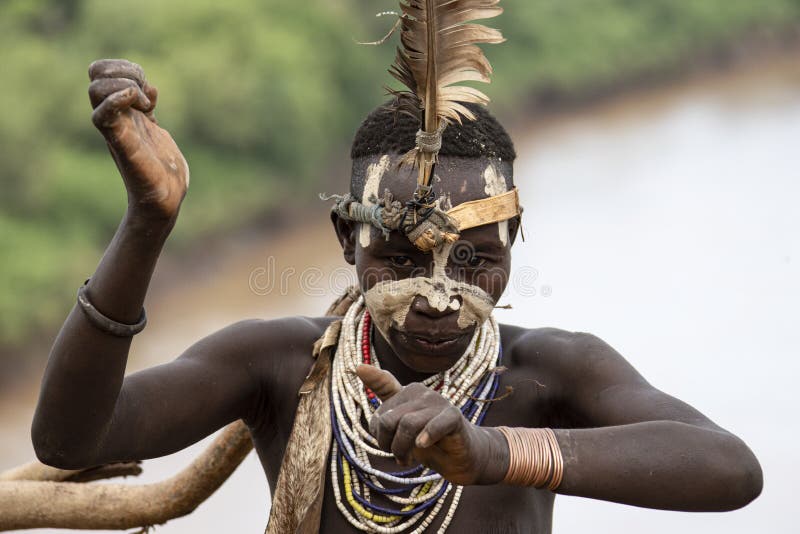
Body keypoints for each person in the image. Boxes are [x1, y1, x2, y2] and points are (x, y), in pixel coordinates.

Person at [31, 58, 762, 534]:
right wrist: (146, 225)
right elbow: (71, 441)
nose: (439, 297)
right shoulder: (279, 365)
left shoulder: (546, 375)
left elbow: (729, 468)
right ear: (348, 242)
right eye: (402, 258)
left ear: (517, 242)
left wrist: (493, 451)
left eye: (475, 260)